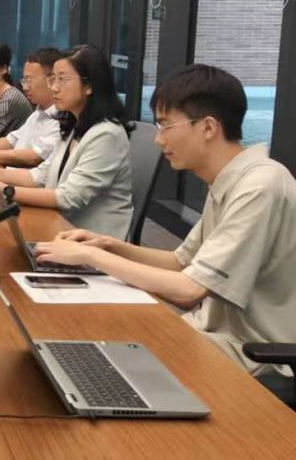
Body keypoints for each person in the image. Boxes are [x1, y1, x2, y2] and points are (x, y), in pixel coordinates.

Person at [34, 64, 296, 380]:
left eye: (166, 126)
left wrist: (91, 256)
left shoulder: (260, 187)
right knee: (83, 339)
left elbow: (189, 290)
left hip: (252, 358)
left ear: (208, 127)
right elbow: (180, 262)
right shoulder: (230, 178)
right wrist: (108, 246)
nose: (159, 140)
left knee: (95, 357)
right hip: (210, 334)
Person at [0, 45, 134, 238]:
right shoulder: (73, 126)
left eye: (62, 80)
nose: (54, 87)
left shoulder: (107, 134)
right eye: (53, 79)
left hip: (89, 241)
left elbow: (68, 197)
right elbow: (40, 176)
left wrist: (5, 191)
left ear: (89, 85)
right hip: (59, 227)